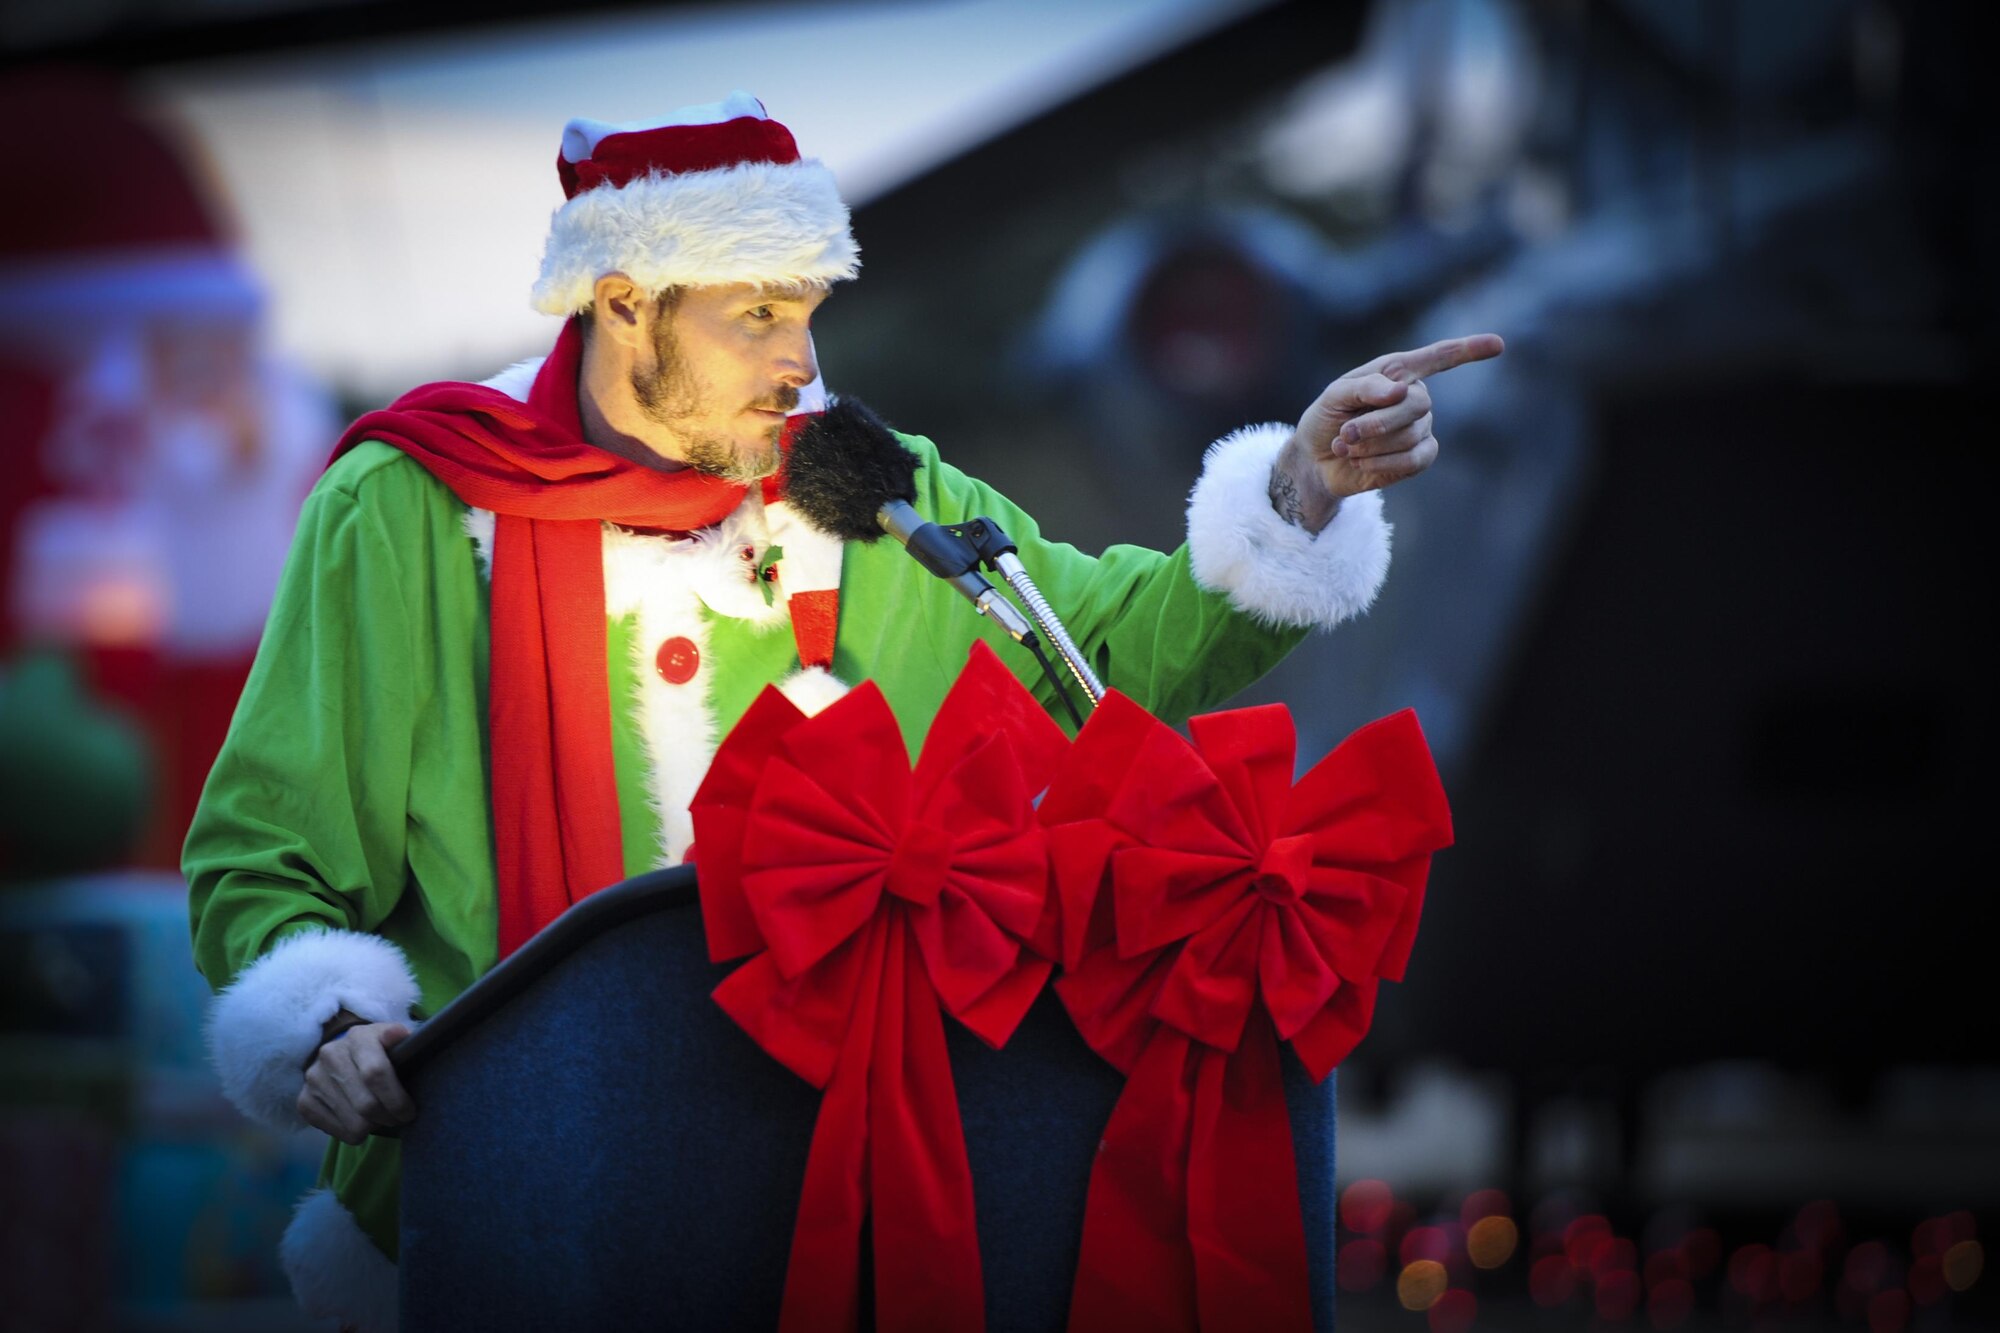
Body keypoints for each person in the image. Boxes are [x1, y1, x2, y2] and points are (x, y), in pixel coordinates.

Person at [185, 91, 1500, 1331]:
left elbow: (1100, 644)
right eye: (757, 314)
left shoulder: (873, 490)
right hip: (524, 1201)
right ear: (628, 305)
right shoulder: (407, 512)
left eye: (807, 309)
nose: (800, 359)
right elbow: (268, 859)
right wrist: (332, 1031)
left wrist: (1302, 488)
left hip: (843, 1202)